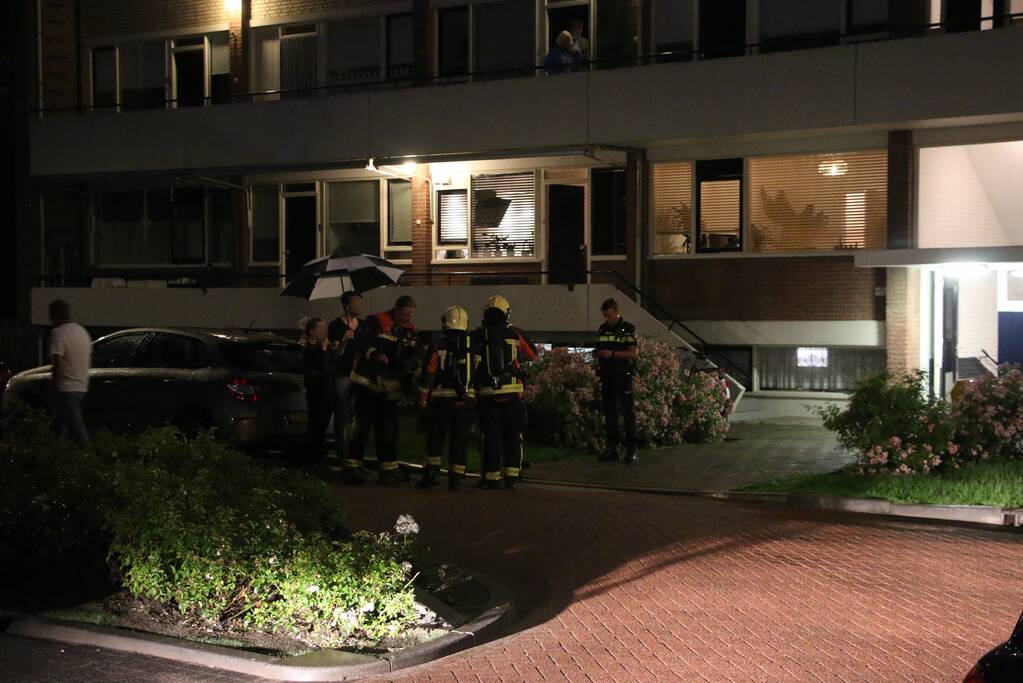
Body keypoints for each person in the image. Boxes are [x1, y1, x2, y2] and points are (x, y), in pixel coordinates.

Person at [349, 295, 419, 485]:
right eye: (404, 314)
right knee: (363, 425)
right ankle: (353, 466)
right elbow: (361, 343)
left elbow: (411, 353)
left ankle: (388, 468)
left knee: (389, 426)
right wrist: (376, 354)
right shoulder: (375, 321)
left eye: (410, 315)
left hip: (390, 384)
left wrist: (411, 363)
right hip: (368, 381)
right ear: (396, 309)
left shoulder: (410, 331)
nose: (407, 318)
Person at [472, 294, 537, 490]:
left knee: (490, 437)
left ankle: (491, 478)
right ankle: (512, 476)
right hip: (513, 394)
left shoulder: (477, 334)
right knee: (513, 435)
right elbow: (532, 355)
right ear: (506, 313)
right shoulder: (515, 333)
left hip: (487, 394)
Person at [417, 305, 477, 491]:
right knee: (460, 439)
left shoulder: (437, 345)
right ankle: (456, 478)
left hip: (441, 400)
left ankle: (432, 474)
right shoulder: (473, 345)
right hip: (467, 400)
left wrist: (423, 398)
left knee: (436, 438)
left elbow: (428, 373)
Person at [594, 298, 638, 464]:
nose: (607, 319)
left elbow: (633, 353)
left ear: (617, 313)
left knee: (628, 413)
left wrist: (611, 354)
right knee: (610, 414)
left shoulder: (627, 329)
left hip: (623, 375)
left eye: (609, 316)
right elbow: (600, 347)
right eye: (605, 316)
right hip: (607, 376)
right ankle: (612, 448)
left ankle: (631, 450)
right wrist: (598, 354)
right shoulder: (602, 329)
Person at [48, 299, 92, 448]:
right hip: (82, 384)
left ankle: (89, 456)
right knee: (61, 423)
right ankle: (58, 452)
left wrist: (54, 385)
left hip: (67, 386)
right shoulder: (82, 332)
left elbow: (57, 363)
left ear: (54, 315)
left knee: (75, 424)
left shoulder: (58, 333)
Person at [327, 291, 364, 466]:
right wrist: (344, 340)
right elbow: (334, 355)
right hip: (342, 375)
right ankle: (343, 456)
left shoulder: (363, 325)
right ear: (347, 305)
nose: (359, 305)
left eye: (360, 302)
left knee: (357, 418)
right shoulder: (336, 325)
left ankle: (355, 458)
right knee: (342, 417)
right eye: (355, 302)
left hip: (359, 376)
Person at [301, 317, 332, 462]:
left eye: (324, 327)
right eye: (320, 328)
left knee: (321, 424)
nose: (324, 330)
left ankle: (317, 454)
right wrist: (324, 349)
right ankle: (313, 456)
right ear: (312, 331)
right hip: (316, 391)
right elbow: (322, 368)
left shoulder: (321, 346)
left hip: (324, 390)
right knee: (316, 423)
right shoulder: (309, 348)